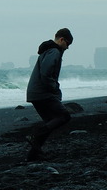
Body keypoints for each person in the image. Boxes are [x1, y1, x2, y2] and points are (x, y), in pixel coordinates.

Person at [25, 28, 74, 162]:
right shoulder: (54, 51)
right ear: (61, 40)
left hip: (35, 92)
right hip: (42, 92)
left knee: (50, 122)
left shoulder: (48, 50)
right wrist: (54, 89)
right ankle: (34, 136)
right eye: (68, 44)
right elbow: (46, 73)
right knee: (64, 116)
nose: (67, 48)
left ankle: (33, 155)